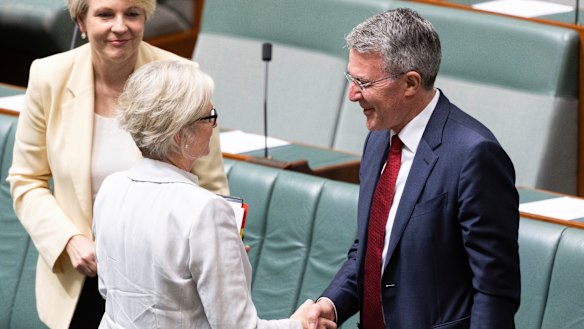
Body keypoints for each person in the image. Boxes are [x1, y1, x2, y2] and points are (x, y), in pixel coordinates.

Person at [7, 0, 228, 328]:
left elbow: (212, 187)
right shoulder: (48, 76)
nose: (120, 26)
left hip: (160, 284)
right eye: (106, 14)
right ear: (81, 22)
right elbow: (26, 179)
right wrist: (68, 239)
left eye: (133, 14)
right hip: (79, 278)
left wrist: (224, 239)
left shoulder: (182, 78)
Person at [308, 8, 520, 329]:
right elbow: (370, 250)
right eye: (351, 78)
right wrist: (332, 304)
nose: (351, 94)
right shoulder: (379, 138)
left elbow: (494, 290)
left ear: (410, 83)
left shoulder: (474, 155)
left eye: (363, 82)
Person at [92, 60, 335, 329]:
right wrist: (300, 324)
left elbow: (109, 290)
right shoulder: (204, 210)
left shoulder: (111, 188)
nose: (214, 125)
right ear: (180, 135)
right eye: (209, 117)